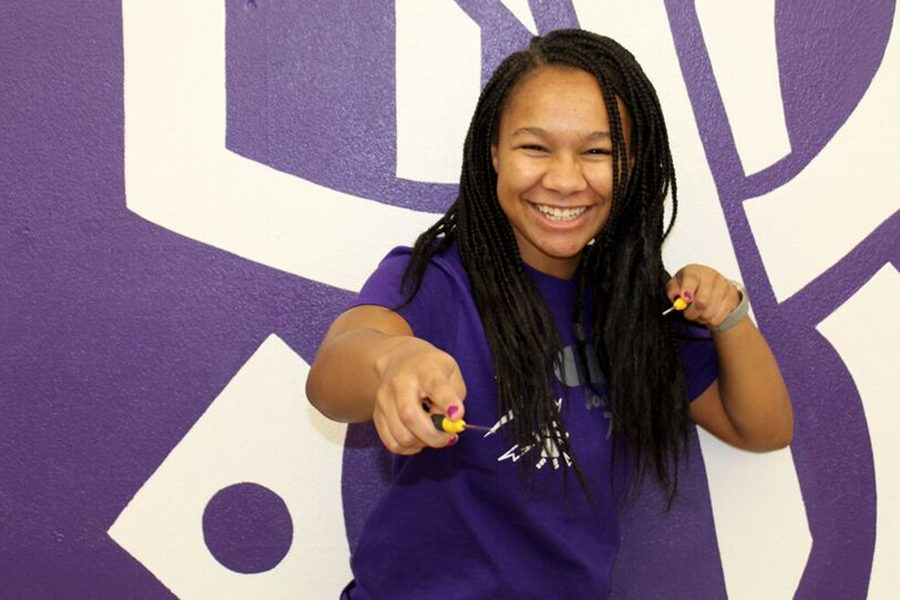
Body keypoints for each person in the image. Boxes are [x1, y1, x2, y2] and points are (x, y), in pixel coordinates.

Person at [306, 29, 792, 599]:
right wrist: (393, 362)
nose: (564, 179)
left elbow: (762, 427)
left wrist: (729, 315)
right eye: (535, 147)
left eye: (597, 151)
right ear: (494, 152)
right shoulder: (440, 278)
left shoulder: (636, 306)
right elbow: (331, 378)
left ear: (632, 164)